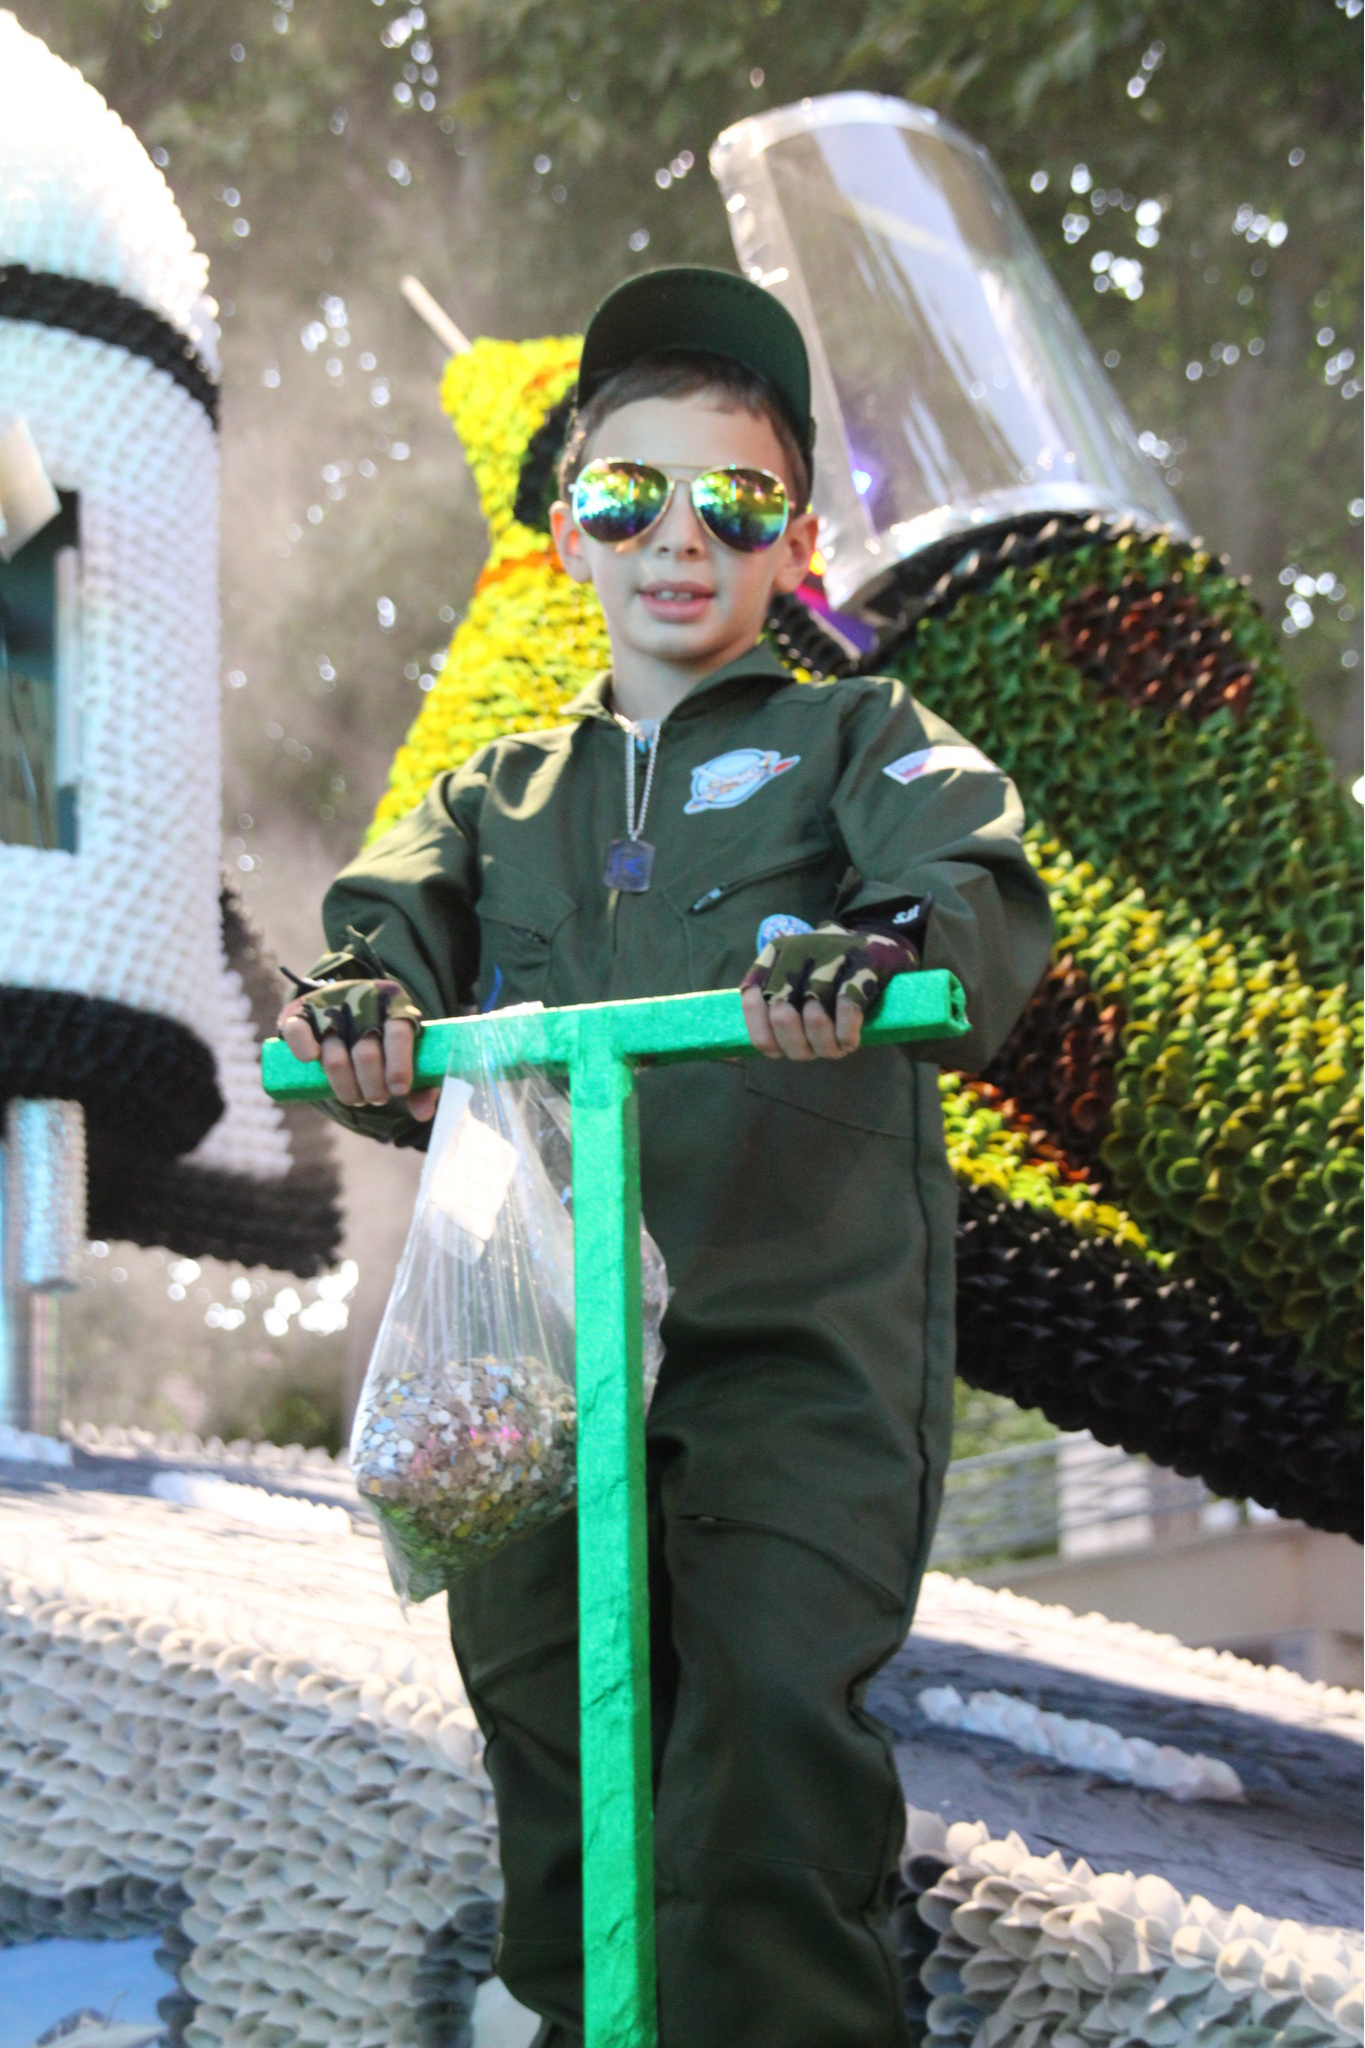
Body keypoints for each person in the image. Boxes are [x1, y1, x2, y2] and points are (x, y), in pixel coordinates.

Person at [279, 266, 1053, 2048]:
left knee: (766, 1739)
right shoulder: (500, 798)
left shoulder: (854, 740)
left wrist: (878, 951)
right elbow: (381, 942)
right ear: (569, 533)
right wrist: (365, 1017)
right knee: (550, 1727)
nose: (680, 538)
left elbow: (968, 881)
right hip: (539, 1365)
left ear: (797, 543)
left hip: (786, 1344)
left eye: (737, 502)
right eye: (630, 496)